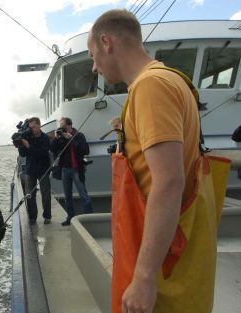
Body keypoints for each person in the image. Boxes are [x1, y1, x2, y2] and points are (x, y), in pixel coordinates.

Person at [88, 9, 230, 313]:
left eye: (92, 56)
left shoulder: (150, 87)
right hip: (176, 254)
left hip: (163, 267)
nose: (94, 67)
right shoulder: (172, 81)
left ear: (106, 41)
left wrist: (144, 276)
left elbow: (168, 182)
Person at [50, 117, 93, 226]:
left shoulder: (79, 135)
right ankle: (70, 217)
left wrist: (71, 139)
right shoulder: (60, 137)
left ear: (69, 125)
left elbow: (85, 150)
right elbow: (53, 149)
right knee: (67, 196)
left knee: (83, 195)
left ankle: (89, 219)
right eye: (60, 126)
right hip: (65, 169)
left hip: (77, 170)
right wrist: (56, 138)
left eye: (63, 126)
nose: (61, 128)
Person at [17, 117, 52, 225]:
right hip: (31, 169)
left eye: (33, 127)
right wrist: (20, 144)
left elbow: (41, 153)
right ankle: (32, 218)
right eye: (30, 127)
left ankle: (47, 216)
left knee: (45, 194)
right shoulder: (28, 137)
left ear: (39, 125)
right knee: (29, 195)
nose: (31, 129)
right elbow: (23, 154)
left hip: (43, 169)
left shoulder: (45, 138)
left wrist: (28, 146)